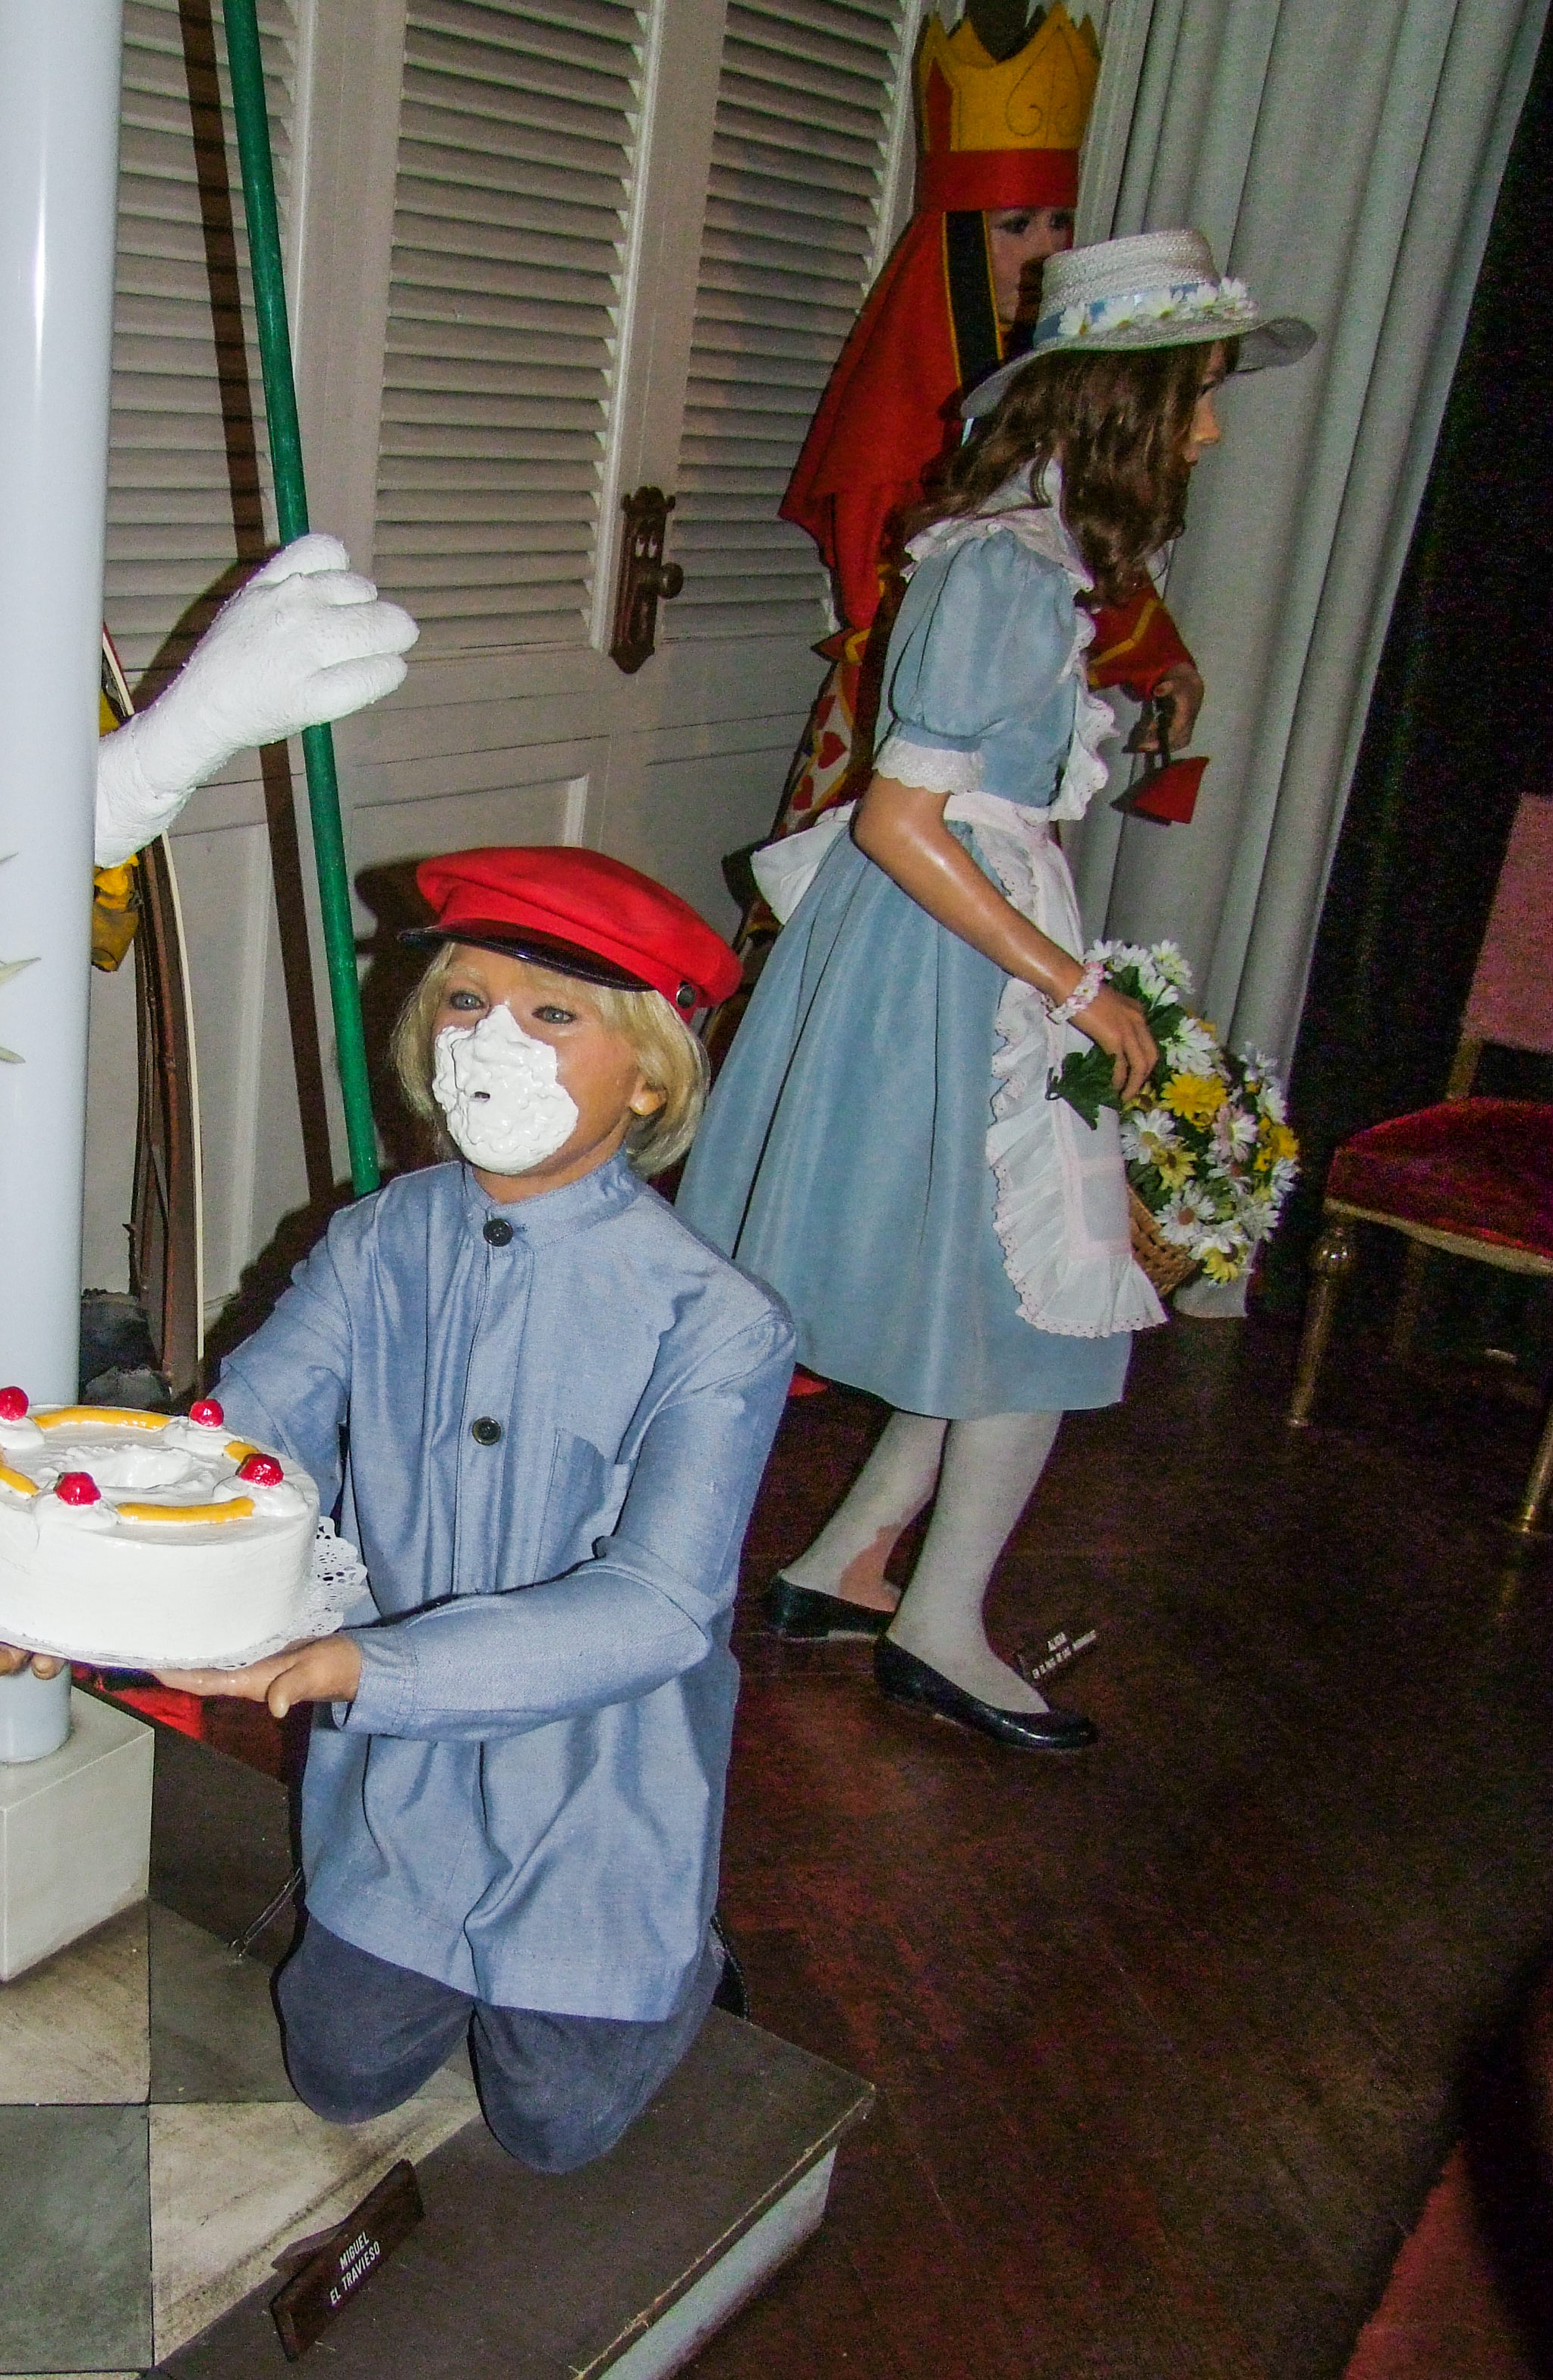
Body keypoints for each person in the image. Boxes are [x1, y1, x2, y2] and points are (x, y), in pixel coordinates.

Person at [0, 846, 795, 2174]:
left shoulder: (718, 1323)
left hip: (599, 1788)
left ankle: (677, 1946)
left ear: (652, 1074)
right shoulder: (376, 1239)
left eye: (551, 1012)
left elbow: (657, 1608)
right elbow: (247, 1441)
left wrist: (357, 1667)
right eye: (466, 1000)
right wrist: (66, 1595)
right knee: (338, 2072)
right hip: (401, 1786)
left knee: (553, 2128)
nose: (490, 1041)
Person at [678, 232, 1314, 1753]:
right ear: (1123, 405)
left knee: (983, 1291)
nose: (1207, 433)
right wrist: (1073, 988)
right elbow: (902, 821)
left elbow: (957, 794)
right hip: (956, 971)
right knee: (1041, 1310)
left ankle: (847, 1563)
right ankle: (939, 1626)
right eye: (1194, 398)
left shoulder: (1019, 560)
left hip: (954, 947)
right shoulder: (1006, 572)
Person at [764, 6, 1202, 862]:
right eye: (1015, 225)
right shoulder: (903, 381)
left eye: (1058, 222)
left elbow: (1084, 543)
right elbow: (895, 599)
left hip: (1015, 724)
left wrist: (1162, 662)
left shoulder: (1067, 384)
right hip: (903, 718)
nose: (1044, 252)